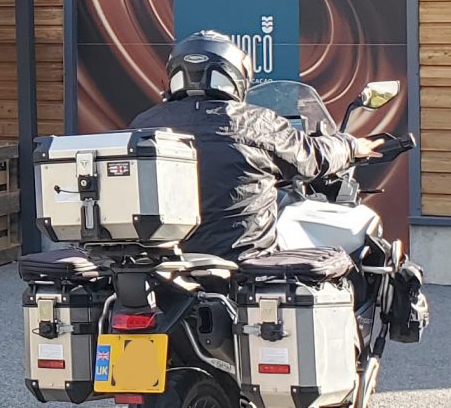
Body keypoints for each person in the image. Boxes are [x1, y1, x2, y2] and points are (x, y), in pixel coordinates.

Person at [129, 30, 381, 259]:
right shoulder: (257, 123)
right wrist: (351, 146)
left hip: (161, 260)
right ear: (235, 75)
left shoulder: (143, 124)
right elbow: (312, 156)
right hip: (242, 257)